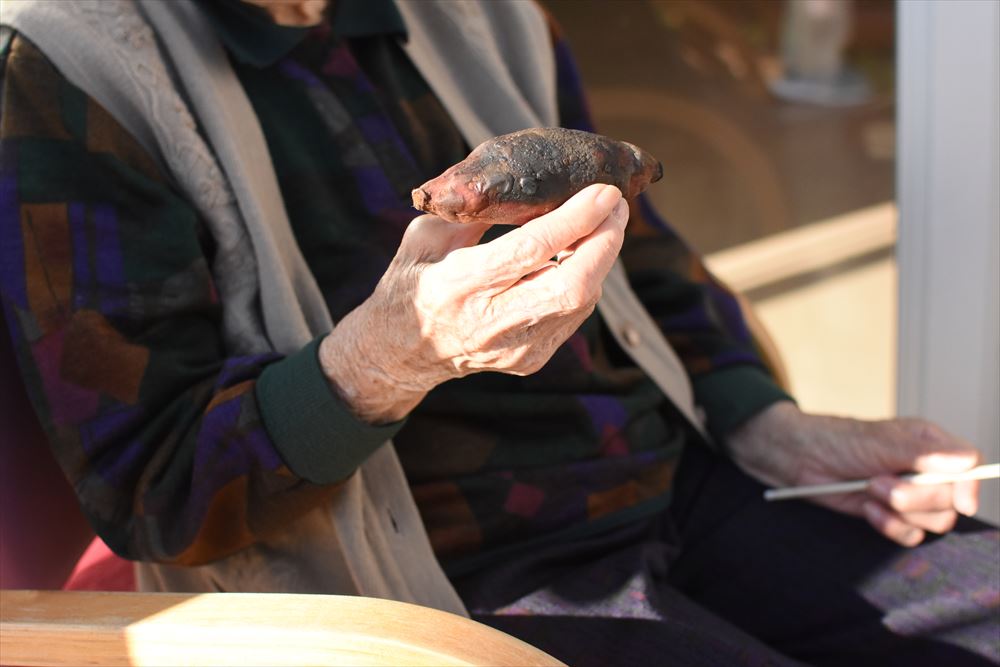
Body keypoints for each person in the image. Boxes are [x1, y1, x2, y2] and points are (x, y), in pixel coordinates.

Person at [1, 0, 996, 665]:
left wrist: (761, 418)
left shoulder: (481, 13)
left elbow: (643, 261)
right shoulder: (59, 64)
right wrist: (384, 359)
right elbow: (157, 486)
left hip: (679, 483)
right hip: (440, 578)